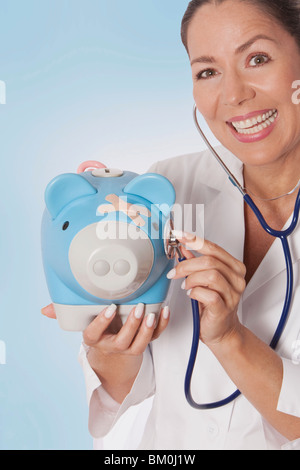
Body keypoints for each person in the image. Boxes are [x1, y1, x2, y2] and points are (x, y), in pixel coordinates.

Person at [42, 0, 300, 450]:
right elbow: (126, 388)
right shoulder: (170, 186)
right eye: (207, 72)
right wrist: (112, 344)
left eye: (257, 59)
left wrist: (229, 337)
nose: (234, 94)